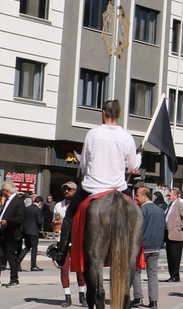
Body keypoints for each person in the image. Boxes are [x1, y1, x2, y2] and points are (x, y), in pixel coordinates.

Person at [50, 101, 141, 267]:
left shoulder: (92, 134)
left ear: (103, 113)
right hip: (118, 188)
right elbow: (134, 166)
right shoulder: (127, 137)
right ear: (119, 115)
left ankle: (61, 252)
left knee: (70, 214)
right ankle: (138, 252)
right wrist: (138, 156)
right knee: (138, 213)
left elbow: (84, 164)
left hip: (93, 188)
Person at [132, 186, 163, 308]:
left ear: (145, 196)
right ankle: (154, 301)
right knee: (153, 274)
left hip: (143, 246)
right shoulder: (160, 210)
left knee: (136, 271)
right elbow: (164, 228)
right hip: (156, 246)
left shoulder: (141, 210)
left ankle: (138, 297)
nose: (136, 197)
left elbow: (137, 228)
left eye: (138, 195)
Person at [0, 183, 27, 286]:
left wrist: (7, 222)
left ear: (7, 191)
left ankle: (14, 279)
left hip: (11, 234)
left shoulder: (18, 202)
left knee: (11, 256)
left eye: (3, 191)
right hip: (2, 233)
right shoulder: (7, 201)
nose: (2, 193)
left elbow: (20, 219)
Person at [164, 189, 183, 281]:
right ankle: (172, 275)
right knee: (170, 256)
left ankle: (175, 275)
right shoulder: (170, 205)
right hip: (169, 233)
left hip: (176, 234)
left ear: (175, 196)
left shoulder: (179, 204)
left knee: (175, 256)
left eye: (169, 195)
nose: (168, 197)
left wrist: (180, 226)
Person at [21, 193, 46, 270]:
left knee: (27, 247)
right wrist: (39, 228)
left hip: (26, 231)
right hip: (34, 231)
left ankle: (18, 261)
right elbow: (39, 221)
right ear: (40, 202)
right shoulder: (38, 210)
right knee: (34, 248)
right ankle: (33, 265)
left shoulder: (27, 209)